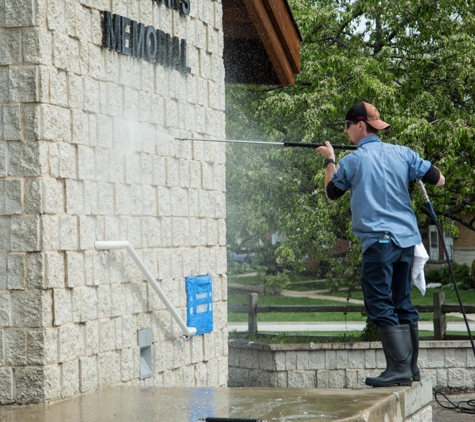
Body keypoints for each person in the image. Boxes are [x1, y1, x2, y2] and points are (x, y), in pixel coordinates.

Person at [316, 101, 445, 387]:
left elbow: (331, 193)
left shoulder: (352, 162)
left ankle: (398, 368)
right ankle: (411, 369)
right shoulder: (403, 153)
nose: (347, 133)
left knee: (380, 303)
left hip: (378, 243)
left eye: (347, 127)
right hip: (407, 244)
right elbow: (439, 179)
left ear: (360, 125)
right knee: (402, 302)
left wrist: (329, 159)